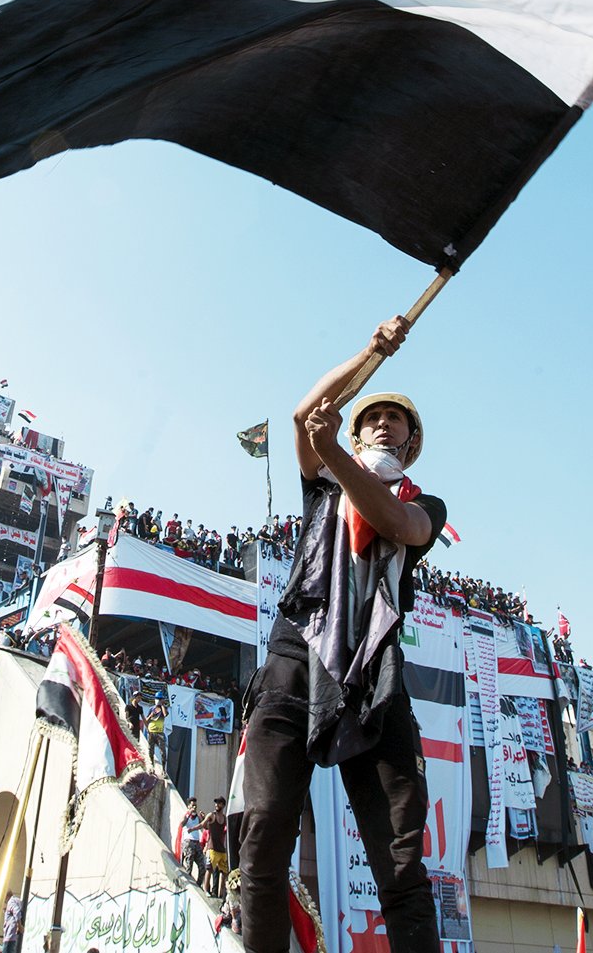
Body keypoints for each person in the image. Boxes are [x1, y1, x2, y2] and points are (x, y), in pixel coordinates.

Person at [238, 316, 444, 953]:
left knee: (402, 864)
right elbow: (306, 415)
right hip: (297, 657)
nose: (384, 424)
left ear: (410, 446)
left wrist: (333, 453)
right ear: (354, 429)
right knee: (264, 836)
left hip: (372, 679)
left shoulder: (425, 504)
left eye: (398, 421)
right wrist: (372, 352)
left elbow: (395, 523)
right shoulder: (323, 479)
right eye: (372, 416)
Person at [201, 800, 230, 901]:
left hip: (221, 850)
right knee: (210, 870)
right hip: (212, 849)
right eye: (216, 803)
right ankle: (207, 890)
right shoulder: (212, 818)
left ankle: (222, 893)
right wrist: (204, 847)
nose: (216, 805)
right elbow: (204, 833)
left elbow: (227, 831)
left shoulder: (224, 819)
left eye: (219, 803)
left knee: (223, 872)